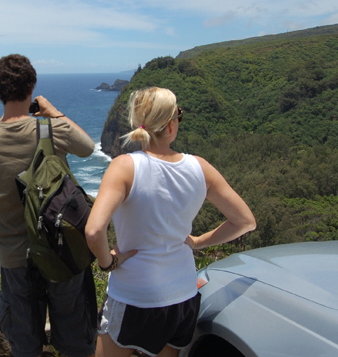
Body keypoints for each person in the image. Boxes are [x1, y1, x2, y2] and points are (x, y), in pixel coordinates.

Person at [85, 87, 256, 357]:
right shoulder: (200, 167)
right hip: (182, 295)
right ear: (171, 125)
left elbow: (94, 231)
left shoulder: (124, 167)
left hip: (133, 296)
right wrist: (199, 242)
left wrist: (109, 262)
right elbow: (245, 221)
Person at [0, 54, 97, 357]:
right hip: (61, 249)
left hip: (15, 257)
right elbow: (88, 147)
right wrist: (53, 113)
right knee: (75, 339)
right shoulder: (51, 130)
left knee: (25, 344)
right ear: (32, 88)